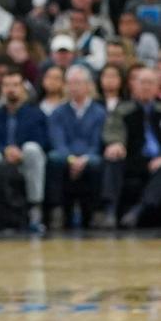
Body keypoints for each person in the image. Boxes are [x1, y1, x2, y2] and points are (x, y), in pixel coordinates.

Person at [0, 70, 49, 230]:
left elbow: (42, 140)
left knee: (32, 149)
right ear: (1, 89)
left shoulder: (36, 113)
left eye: (15, 85)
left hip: (25, 157)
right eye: (6, 85)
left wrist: (19, 151)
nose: (11, 89)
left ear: (23, 88)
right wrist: (5, 150)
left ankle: (35, 207)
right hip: (1, 156)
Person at [47, 65, 107, 228]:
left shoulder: (99, 112)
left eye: (78, 83)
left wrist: (84, 160)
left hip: (89, 156)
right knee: (54, 158)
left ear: (88, 86)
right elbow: (58, 142)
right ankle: (57, 210)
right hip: (66, 156)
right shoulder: (58, 112)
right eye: (71, 83)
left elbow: (97, 143)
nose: (74, 87)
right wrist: (72, 159)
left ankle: (96, 212)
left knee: (97, 162)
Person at [105, 65, 161, 228]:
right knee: (112, 156)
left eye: (150, 83)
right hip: (132, 158)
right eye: (142, 82)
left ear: (157, 87)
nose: (146, 87)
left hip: (158, 162)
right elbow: (114, 130)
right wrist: (116, 143)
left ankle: (139, 210)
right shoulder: (122, 110)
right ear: (134, 85)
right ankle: (110, 210)